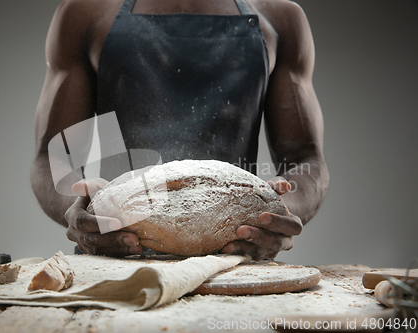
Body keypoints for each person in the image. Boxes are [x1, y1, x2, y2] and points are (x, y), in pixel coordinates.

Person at [31, 0, 329, 261]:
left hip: (235, 255)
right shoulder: (85, 13)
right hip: (118, 253)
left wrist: (278, 213)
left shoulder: (281, 19)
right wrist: (78, 208)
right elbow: (53, 156)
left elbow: (306, 159)